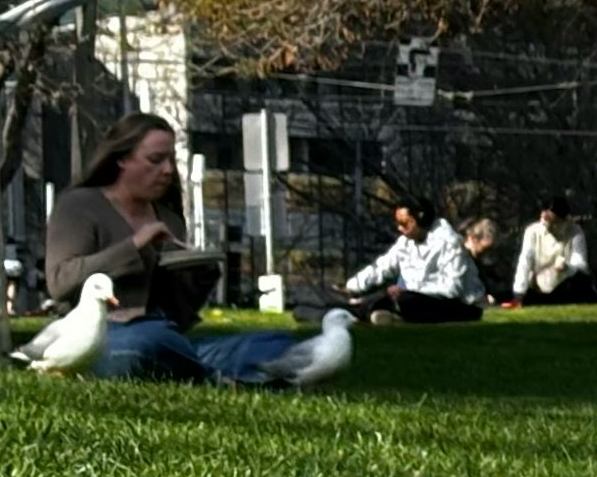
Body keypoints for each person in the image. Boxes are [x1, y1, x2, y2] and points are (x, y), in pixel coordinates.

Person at [44, 114, 302, 383]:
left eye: (170, 161)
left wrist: (200, 278)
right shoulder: (79, 206)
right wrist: (135, 244)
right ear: (122, 159)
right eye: (155, 160)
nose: (167, 170)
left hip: (166, 337)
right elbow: (61, 281)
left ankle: (201, 371)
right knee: (145, 345)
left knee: (277, 343)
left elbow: (178, 318)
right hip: (102, 338)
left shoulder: (168, 219)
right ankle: (217, 376)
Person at [345, 201, 489, 324]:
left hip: (463, 305)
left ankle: (391, 315)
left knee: (406, 300)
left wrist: (410, 290)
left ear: (420, 220)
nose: (399, 228)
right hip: (419, 298)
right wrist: (352, 286)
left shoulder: (450, 243)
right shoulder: (405, 242)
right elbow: (382, 267)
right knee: (385, 297)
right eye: (397, 223)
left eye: (404, 223)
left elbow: (452, 290)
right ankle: (368, 312)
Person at [515, 201, 594, 305]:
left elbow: (581, 264)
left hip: (565, 286)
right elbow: (525, 261)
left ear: (563, 219)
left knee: (582, 281)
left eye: (553, 222)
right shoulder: (532, 232)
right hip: (537, 287)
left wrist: (567, 267)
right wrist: (519, 294)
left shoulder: (575, 231)